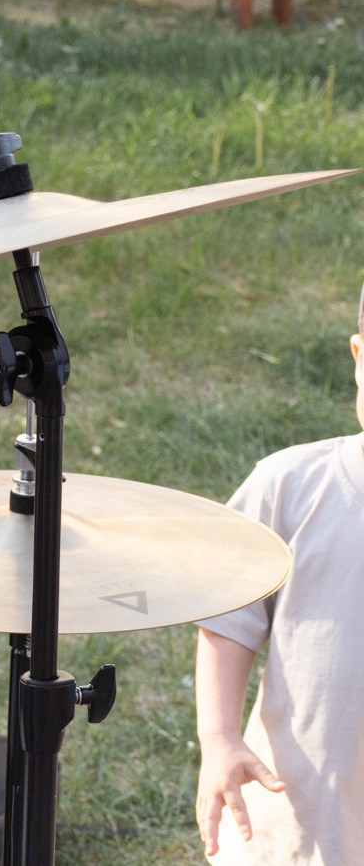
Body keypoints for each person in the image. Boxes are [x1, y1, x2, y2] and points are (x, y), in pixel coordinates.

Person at [191, 287, 364, 864]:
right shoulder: (290, 485)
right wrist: (219, 738)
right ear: (359, 358)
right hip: (301, 815)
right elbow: (228, 618)